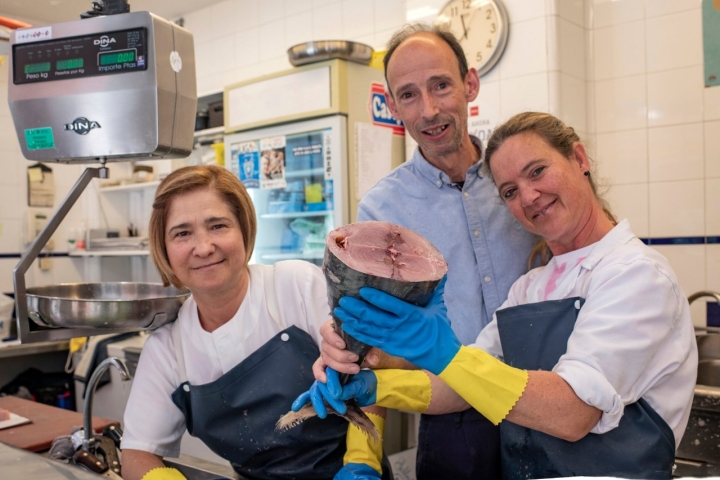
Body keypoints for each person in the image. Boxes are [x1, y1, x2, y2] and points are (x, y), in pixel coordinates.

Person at [302, 112, 698, 478]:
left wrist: (446, 354)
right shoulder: (530, 287)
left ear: (579, 158)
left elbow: (574, 413)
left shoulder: (636, 273)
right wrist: (375, 386)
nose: (528, 197)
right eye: (509, 191)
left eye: (538, 171)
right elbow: (464, 389)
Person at [316, 23, 536, 480]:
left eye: (441, 85)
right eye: (409, 95)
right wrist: (361, 456)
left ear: (469, 84)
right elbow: (370, 341)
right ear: (392, 105)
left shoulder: (519, 181)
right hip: (450, 415)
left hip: (545, 397)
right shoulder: (382, 209)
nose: (429, 110)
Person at [120, 165, 392, 480]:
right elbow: (137, 453)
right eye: (182, 233)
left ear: (244, 230)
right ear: (164, 250)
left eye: (218, 225)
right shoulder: (168, 349)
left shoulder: (295, 286)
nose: (204, 247)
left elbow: (369, 373)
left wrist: (362, 460)